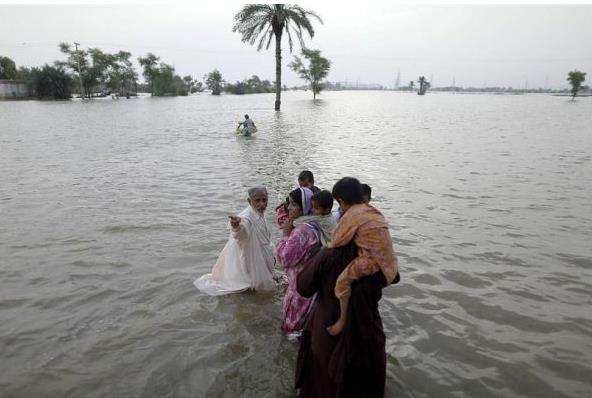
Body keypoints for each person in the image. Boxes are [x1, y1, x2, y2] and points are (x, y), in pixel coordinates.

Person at [295, 243, 398, 398]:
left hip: (328, 334)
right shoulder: (379, 257)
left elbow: (303, 287)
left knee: (323, 387)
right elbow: (394, 276)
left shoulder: (328, 254)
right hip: (367, 335)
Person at [326, 177, 399, 336]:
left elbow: (336, 241)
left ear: (341, 201)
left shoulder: (352, 214)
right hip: (389, 263)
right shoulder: (371, 210)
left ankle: (341, 321)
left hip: (372, 262)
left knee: (341, 283)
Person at [194, 187, 275, 295]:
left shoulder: (259, 214)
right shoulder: (246, 217)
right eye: (258, 200)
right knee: (251, 284)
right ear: (249, 201)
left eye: (264, 200)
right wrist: (236, 226)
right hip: (251, 257)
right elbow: (240, 232)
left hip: (261, 253)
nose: (262, 204)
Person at [275, 187, 321, 337]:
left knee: (291, 333)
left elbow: (284, 259)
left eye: (294, 204)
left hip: (300, 289)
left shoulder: (302, 230)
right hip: (312, 287)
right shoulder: (316, 224)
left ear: (305, 206)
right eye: (290, 203)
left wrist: (285, 235)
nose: (289, 208)